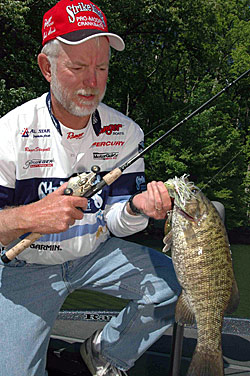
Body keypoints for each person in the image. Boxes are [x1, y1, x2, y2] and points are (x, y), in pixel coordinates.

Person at [0, 1, 181, 375]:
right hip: (24, 266)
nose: (92, 82)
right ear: (47, 67)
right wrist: (30, 216)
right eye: (78, 67)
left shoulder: (125, 133)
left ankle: (102, 354)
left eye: (101, 68)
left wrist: (136, 209)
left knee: (177, 283)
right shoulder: (9, 133)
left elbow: (115, 222)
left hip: (94, 254)